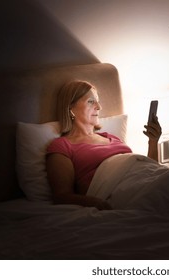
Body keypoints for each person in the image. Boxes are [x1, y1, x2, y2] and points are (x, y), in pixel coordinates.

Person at [46, 80, 162, 210]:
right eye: (91, 101)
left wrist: (153, 141)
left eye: (98, 101)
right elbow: (62, 196)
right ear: (71, 108)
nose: (99, 107)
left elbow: (149, 170)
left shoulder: (110, 137)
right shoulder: (62, 146)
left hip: (145, 181)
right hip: (121, 191)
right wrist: (95, 202)